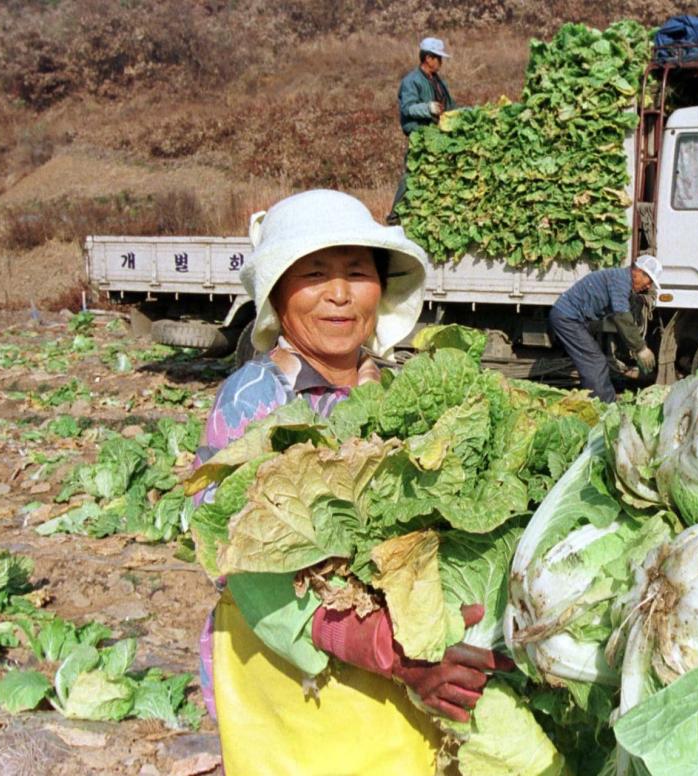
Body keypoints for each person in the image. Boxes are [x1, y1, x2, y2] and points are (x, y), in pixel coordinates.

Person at [194, 190, 509, 775]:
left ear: (381, 289)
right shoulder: (254, 397)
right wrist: (384, 647)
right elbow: (236, 555)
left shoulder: (394, 388)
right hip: (292, 674)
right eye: (314, 274)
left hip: (398, 673)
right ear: (278, 292)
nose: (339, 294)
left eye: (357, 273)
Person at [549, 255, 661, 402]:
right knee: (595, 362)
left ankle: (595, 400)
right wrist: (641, 348)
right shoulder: (621, 281)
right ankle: (604, 406)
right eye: (649, 281)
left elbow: (622, 316)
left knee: (593, 359)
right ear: (638, 272)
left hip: (572, 318)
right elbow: (621, 317)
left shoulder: (622, 280)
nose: (648, 286)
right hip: (567, 318)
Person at [389, 37, 456, 225]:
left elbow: (449, 105)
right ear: (428, 58)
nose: (440, 62)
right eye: (438, 58)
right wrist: (428, 108)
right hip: (420, 133)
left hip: (437, 134)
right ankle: (395, 215)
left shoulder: (437, 81)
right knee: (412, 172)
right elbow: (407, 108)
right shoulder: (411, 81)